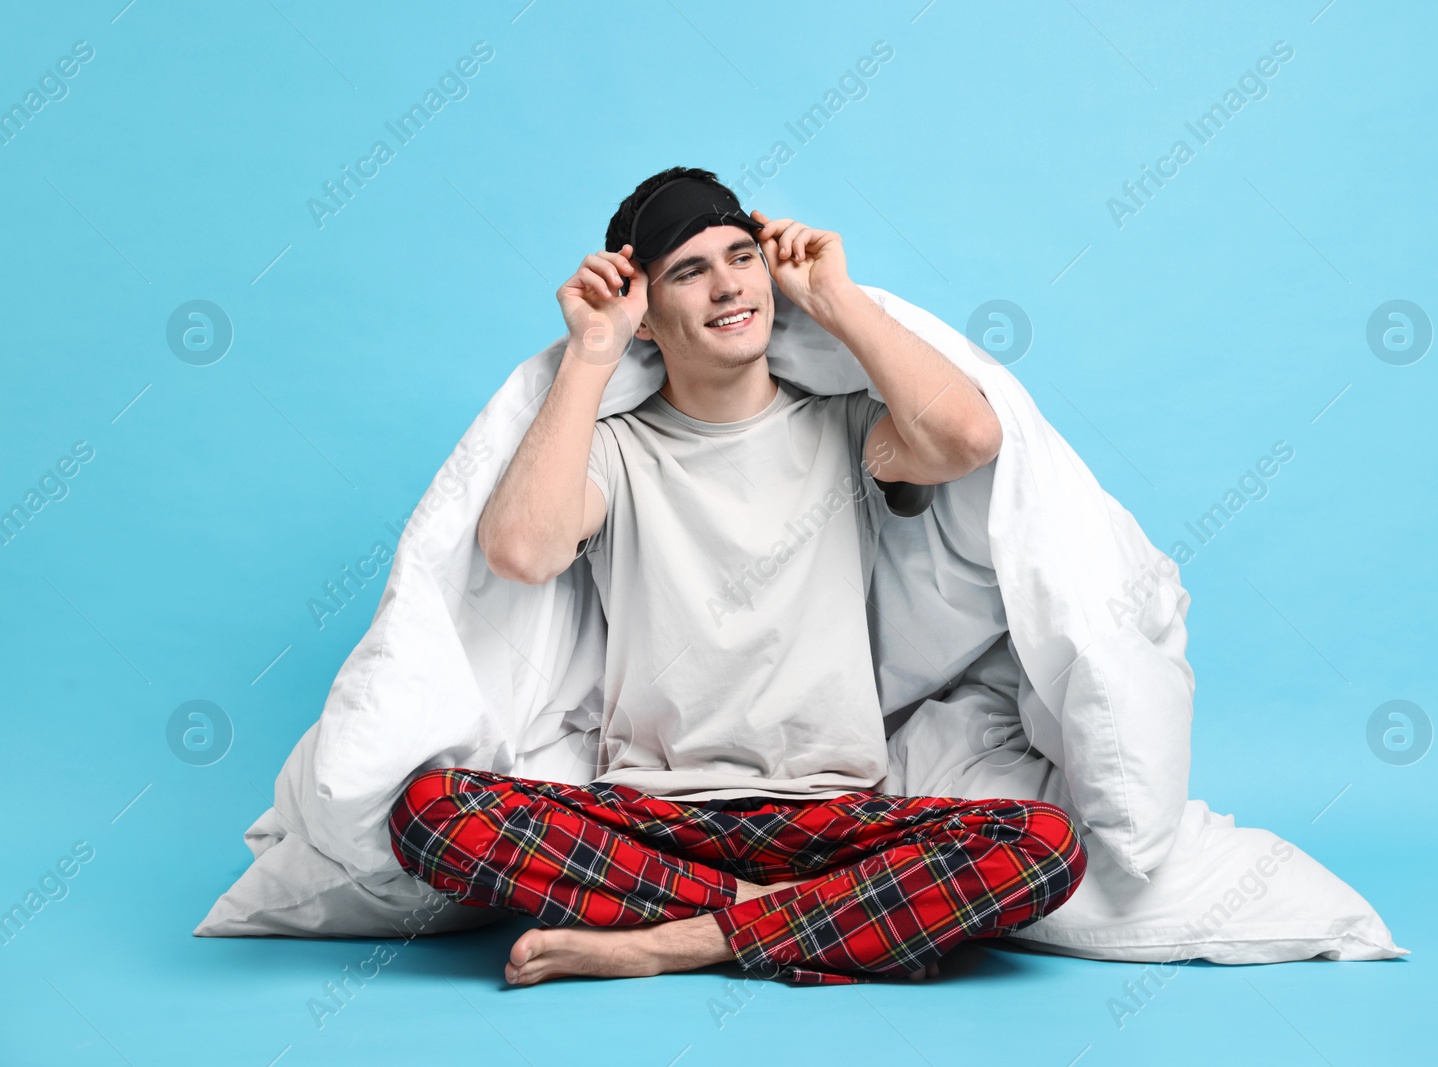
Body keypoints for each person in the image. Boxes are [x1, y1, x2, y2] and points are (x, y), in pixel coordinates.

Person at [387, 166, 1086, 987]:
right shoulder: (615, 450)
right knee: (434, 813)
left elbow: (968, 437)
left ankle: (672, 942)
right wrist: (591, 349)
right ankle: (809, 920)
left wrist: (835, 298)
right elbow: (521, 550)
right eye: (689, 270)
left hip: (835, 817)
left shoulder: (849, 427)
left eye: (742, 256)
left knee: (1043, 846)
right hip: (653, 818)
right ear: (647, 311)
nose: (728, 285)